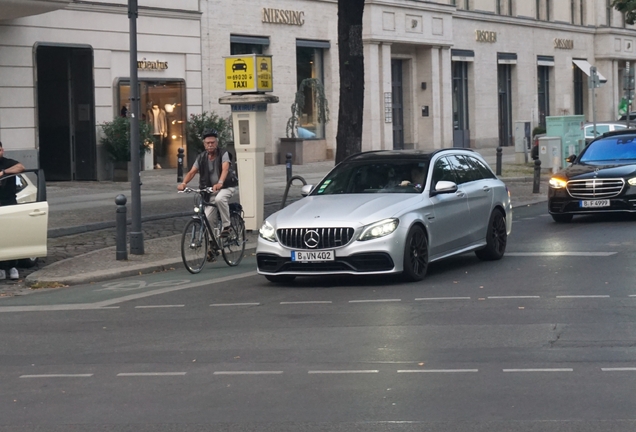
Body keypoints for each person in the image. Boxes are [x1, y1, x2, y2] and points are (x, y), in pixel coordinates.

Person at [177, 129, 238, 249]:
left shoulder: (223, 154)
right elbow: (192, 172)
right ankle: (213, 245)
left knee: (220, 199)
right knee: (208, 218)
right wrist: (184, 183)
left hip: (227, 186)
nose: (210, 145)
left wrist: (220, 182)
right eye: (208, 143)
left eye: (212, 142)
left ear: (217, 143)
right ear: (204, 144)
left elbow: (225, 169)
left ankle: (227, 226)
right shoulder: (201, 157)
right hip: (209, 190)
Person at [0, 141, 26, 280]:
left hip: (9, 203)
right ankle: (1, 267)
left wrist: (3, 172)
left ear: (2, 150)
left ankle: (12, 266)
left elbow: (21, 167)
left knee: (11, 236)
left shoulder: (8, 162)